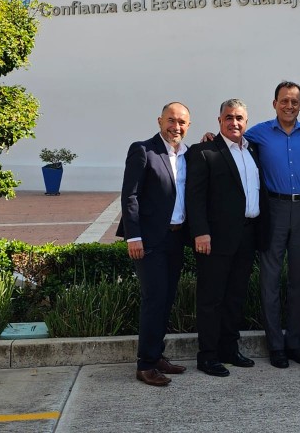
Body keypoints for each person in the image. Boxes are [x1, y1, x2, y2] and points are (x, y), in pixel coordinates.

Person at [186, 99, 269, 378]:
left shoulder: (253, 150)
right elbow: (195, 196)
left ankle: (229, 350)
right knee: (211, 299)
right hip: (214, 238)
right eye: (229, 117)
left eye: (239, 118)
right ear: (220, 120)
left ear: (246, 122)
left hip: (247, 235)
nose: (234, 122)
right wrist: (200, 232)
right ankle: (208, 356)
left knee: (235, 297)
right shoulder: (204, 151)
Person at [118, 102, 191, 387]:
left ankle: (157, 355)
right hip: (148, 240)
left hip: (176, 237)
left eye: (182, 122)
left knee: (167, 298)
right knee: (154, 299)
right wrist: (134, 236)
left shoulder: (186, 154)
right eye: (171, 120)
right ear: (160, 121)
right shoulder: (143, 150)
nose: (176, 126)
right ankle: (146, 365)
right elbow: (130, 195)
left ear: (188, 126)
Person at [245, 82, 300, 369]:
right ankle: (275, 345)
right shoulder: (257, 133)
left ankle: (295, 343)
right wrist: (210, 137)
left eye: (294, 101)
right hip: (273, 209)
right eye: (284, 101)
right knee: (270, 279)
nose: (289, 106)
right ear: (274, 103)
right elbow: (230, 141)